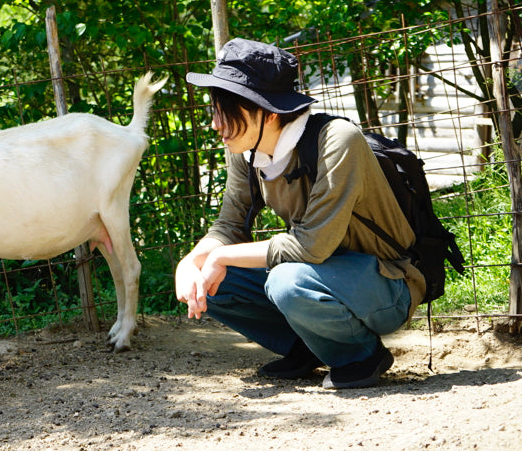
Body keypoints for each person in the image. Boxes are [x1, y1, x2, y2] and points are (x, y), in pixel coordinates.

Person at [175, 38, 425, 389]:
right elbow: (229, 224)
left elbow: (312, 247)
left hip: (386, 283)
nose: (216, 124)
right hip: (319, 275)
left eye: (227, 110)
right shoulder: (244, 151)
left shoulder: (338, 140)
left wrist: (221, 255)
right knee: (211, 278)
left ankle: (360, 355)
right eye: (214, 110)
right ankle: (307, 347)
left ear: (270, 111)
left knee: (286, 281)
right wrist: (190, 262)